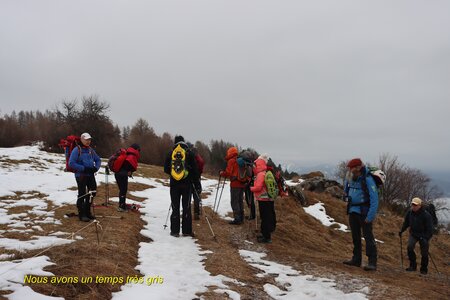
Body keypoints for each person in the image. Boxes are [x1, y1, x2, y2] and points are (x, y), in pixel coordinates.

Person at [343, 158, 378, 271]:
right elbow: (346, 188)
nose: (350, 169)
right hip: (353, 210)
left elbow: (374, 199)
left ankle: (372, 262)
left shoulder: (368, 179)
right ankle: (356, 260)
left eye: (351, 167)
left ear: (358, 167)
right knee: (355, 237)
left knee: (368, 237)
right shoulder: (350, 177)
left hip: (364, 212)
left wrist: (370, 216)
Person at [164, 135, 199, 237]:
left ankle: (174, 231)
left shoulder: (171, 153)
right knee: (186, 207)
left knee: (175, 207)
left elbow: (166, 169)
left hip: (174, 185)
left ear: (175, 143)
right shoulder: (190, 153)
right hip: (187, 185)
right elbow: (195, 171)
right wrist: (196, 184)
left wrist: (174, 174)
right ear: (184, 142)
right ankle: (186, 231)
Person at [68, 132, 101, 222]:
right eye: (86, 139)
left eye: (89, 139)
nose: (88, 141)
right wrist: (83, 169)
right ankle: (81, 214)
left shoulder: (90, 150)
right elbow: (71, 163)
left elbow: (98, 160)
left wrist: (96, 168)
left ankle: (87, 212)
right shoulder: (76, 150)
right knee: (82, 194)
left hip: (90, 174)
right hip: (81, 175)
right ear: (81, 139)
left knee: (92, 192)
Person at [399, 197, 433, 275]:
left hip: (424, 235)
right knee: (410, 247)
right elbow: (406, 222)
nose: (413, 206)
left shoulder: (426, 215)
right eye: (412, 204)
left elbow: (430, 229)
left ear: (420, 206)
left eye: (415, 205)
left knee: (424, 252)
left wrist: (426, 238)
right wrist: (402, 230)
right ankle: (413, 266)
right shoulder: (410, 212)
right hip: (414, 233)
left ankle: (424, 269)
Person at [250, 154, 276, 243]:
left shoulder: (260, 175)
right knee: (266, 217)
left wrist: (251, 188)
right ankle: (265, 234)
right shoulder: (264, 173)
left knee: (264, 218)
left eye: (255, 165)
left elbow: (258, 187)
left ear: (258, 165)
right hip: (267, 199)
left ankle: (266, 237)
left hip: (263, 199)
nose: (254, 167)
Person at [220, 147, 246, 225]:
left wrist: (222, 173)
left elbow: (228, 173)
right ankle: (241, 218)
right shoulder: (240, 161)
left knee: (234, 202)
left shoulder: (231, 161)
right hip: (242, 183)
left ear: (230, 153)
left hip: (235, 184)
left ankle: (237, 219)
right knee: (240, 201)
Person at [115, 144, 141, 212]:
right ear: (136, 149)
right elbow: (131, 167)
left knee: (122, 190)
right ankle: (121, 207)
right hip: (122, 174)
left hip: (117, 173)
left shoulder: (127, 153)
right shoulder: (132, 156)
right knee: (123, 190)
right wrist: (130, 171)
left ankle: (122, 204)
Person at [187, 143, 204, 220]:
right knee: (196, 195)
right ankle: (196, 212)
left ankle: (187, 211)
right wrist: (199, 173)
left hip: (189, 178)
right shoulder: (198, 157)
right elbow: (201, 165)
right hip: (197, 178)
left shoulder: (188, 155)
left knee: (188, 195)